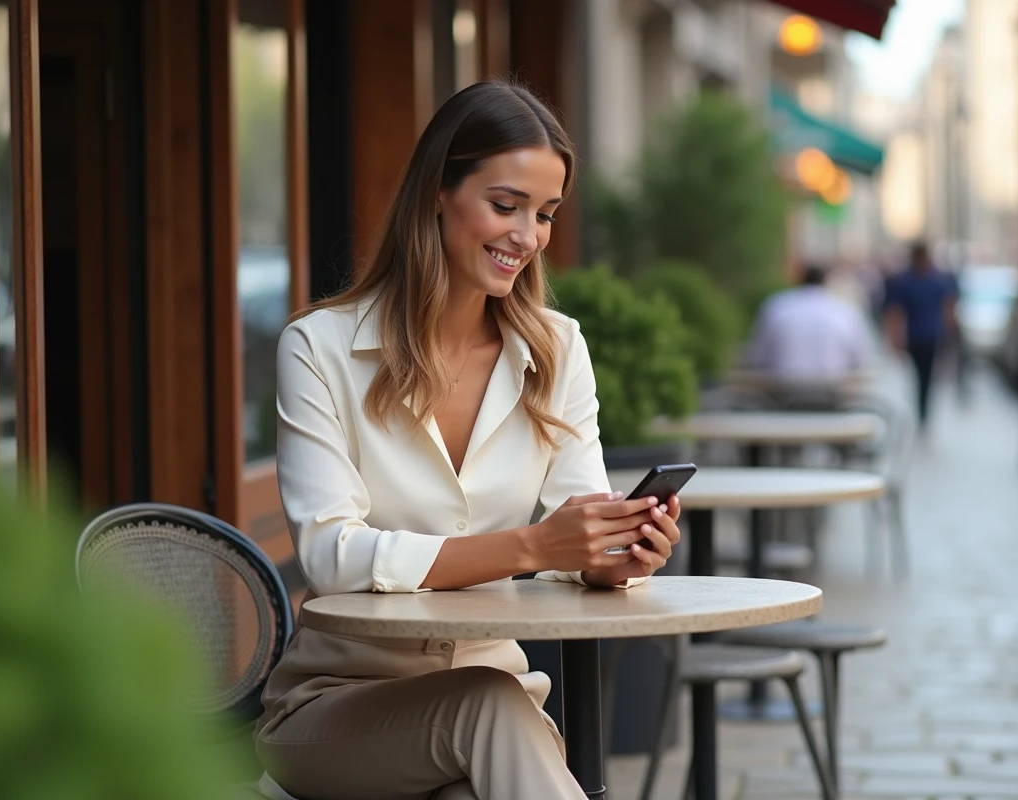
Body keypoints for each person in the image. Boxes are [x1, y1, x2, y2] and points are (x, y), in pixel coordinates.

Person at [254, 80, 682, 800]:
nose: (528, 236)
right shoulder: (318, 349)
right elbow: (331, 554)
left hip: (500, 705)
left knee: (486, 726)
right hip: (335, 708)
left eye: (545, 214)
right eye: (506, 205)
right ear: (437, 194)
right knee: (487, 705)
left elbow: (580, 517)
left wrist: (612, 556)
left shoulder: (556, 349)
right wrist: (536, 547)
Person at [741, 262, 873, 384]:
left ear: (799, 279)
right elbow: (860, 362)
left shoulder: (776, 306)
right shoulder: (846, 311)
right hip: (833, 396)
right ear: (826, 280)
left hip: (781, 395)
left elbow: (757, 358)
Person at [883, 242, 958, 427]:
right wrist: (895, 340)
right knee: (920, 376)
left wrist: (951, 333)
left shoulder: (935, 281)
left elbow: (948, 308)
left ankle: (923, 412)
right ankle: (921, 411)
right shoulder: (908, 282)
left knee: (927, 376)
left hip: (931, 336)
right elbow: (896, 314)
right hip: (916, 337)